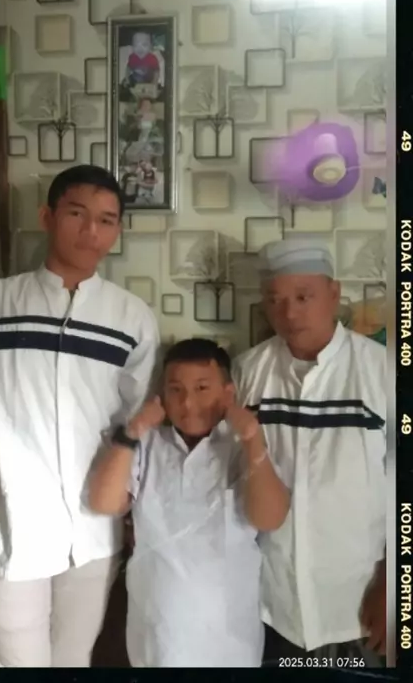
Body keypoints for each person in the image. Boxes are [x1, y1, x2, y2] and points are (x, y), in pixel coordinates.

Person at [0, 164, 160, 667]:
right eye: (76, 214)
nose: (91, 231)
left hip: (95, 530)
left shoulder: (131, 318)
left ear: (117, 230)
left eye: (106, 220)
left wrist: (135, 514)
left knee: (73, 659)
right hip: (10, 525)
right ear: (47, 216)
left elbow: (137, 431)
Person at [89, 338, 290, 668]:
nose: (187, 402)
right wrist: (134, 430)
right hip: (156, 632)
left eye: (202, 388)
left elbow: (270, 518)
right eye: (176, 390)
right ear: (162, 395)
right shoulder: (148, 445)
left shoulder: (241, 448)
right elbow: (104, 502)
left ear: (227, 393)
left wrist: (253, 440)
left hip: (229, 636)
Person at [232, 238, 386, 667]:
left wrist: (396, 584)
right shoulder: (248, 373)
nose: (289, 313)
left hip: (359, 607)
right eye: (275, 300)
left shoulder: (382, 371)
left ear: (334, 294)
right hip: (270, 605)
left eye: (304, 297)